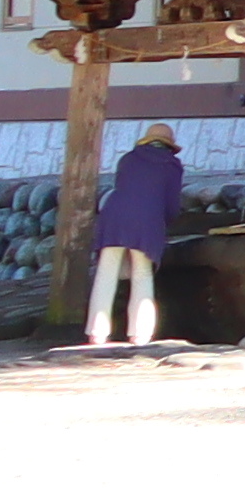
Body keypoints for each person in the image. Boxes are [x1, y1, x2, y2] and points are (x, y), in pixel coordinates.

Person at [87, 127, 183, 349]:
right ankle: (140, 335)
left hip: (114, 216)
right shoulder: (171, 165)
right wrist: (165, 222)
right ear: (169, 145)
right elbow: (171, 205)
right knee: (142, 274)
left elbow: (122, 187)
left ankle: (96, 333)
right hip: (147, 220)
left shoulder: (128, 159)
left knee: (105, 274)